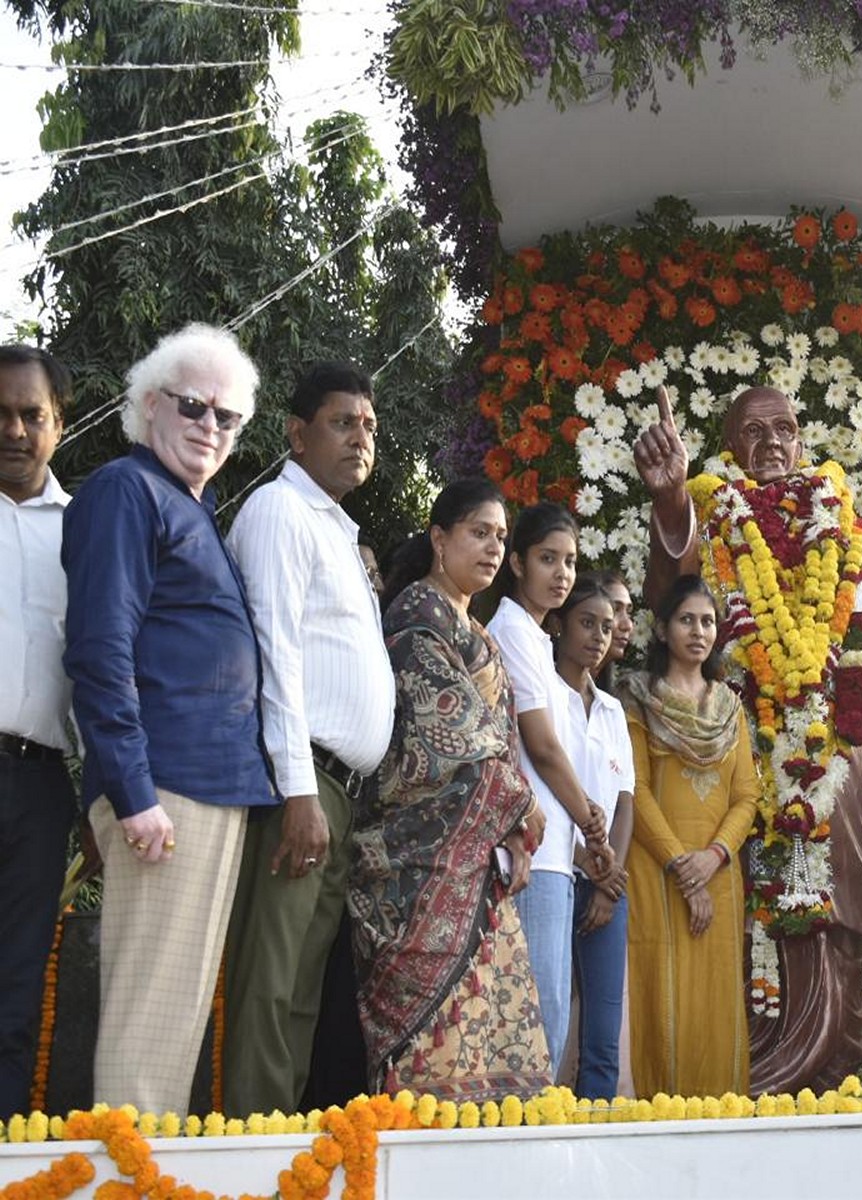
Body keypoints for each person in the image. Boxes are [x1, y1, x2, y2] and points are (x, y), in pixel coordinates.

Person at [634, 384, 862, 1093]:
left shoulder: (842, 519)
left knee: (828, 911)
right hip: (742, 749)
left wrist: (858, 666)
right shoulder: (718, 519)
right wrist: (671, 508)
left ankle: (831, 1069)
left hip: (828, 753)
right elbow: (670, 602)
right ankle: (751, 1070)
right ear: (732, 449)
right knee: (752, 907)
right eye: (754, 433)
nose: (774, 442)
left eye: (785, 427)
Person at [62, 324, 276, 1115]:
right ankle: (128, 1178)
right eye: (195, 407)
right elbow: (99, 648)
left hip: (212, 791)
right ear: (150, 406)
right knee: (148, 1025)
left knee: (177, 1022)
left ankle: (146, 1172)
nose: (210, 428)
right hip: (166, 791)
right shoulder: (126, 489)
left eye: (229, 418)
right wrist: (132, 789)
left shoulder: (193, 505)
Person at [220, 362, 393, 1117]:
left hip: (338, 796)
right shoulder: (279, 513)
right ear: (297, 432)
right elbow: (276, 655)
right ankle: (247, 1162)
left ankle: (276, 1152)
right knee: (270, 983)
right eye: (343, 422)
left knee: (298, 997)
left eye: (370, 427)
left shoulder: (336, 531)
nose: (361, 438)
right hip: (301, 785)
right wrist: (297, 789)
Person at [349, 480, 550, 1100]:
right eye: (478, 533)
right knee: (423, 1044)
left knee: (490, 1026)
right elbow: (453, 735)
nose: (493, 547)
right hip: (415, 861)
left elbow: (501, 743)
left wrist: (513, 828)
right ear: (440, 539)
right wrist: (521, 809)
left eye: (499, 536)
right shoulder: (417, 615)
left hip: (476, 862)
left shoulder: (480, 634)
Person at [621, 575, 759, 1097]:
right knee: (661, 999)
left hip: (719, 877)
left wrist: (716, 856)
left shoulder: (729, 707)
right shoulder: (638, 698)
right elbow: (633, 787)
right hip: (655, 874)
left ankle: (719, 1133)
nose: (698, 631)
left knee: (715, 1004)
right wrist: (683, 865)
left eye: (707, 621)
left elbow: (746, 794)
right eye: (686, 620)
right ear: (661, 628)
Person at [487, 504, 612, 1074]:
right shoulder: (511, 631)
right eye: (547, 559)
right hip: (530, 850)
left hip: (556, 853)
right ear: (516, 562)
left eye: (570, 562)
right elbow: (540, 747)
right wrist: (589, 816)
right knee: (538, 1009)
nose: (562, 574)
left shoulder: (535, 638)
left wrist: (585, 841)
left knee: (550, 1007)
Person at [0, 345, 74, 1119]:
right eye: (1, 413)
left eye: (32, 415)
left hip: (43, 784)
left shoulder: (84, 532)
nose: (15, 429)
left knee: (17, 987)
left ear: (59, 423)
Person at [550, 576, 634, 1100]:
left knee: (603, 1035)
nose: (599, 636)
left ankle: (597, 1134)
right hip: (555, 871)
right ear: (558, 624)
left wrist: (608, 883)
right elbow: (542, 785)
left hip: (606, 886)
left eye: (607, 627)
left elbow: (626, 798)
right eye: (586, 623)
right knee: (550, 1021)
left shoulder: (611, 708)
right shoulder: (543, 697)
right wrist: (587, 861)